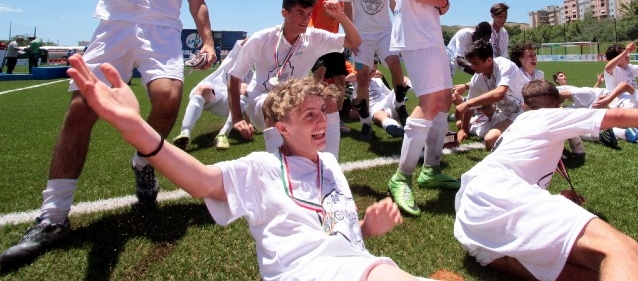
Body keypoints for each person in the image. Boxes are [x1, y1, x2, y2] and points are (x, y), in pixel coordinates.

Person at [0, 0, 217, 267]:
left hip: (160, 32)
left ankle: (143, 162)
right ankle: (54, 215)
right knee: (82, 109)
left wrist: (208, 39)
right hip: (116, 26)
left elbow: (198, 3)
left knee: (168, 100)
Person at [41, 56, 420, 280]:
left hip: (354, 265)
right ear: (282, 129)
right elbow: (203, 182)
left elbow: (338, 233)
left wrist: (367, 228)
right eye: (309, 114)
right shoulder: (263, 168)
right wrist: (137, 129)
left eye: (322, 111)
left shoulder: (332, 165)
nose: (322, 121)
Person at [454, 79, 638, 281]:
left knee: (592, 273)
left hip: (474, 225)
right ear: (556, 106)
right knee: (623, 252)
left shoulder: (520, 128)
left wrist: (554, 200)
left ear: (526, 106)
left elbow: (517, 177)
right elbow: (620, 115)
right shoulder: (547, 117)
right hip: (495, 194)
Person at [228, 0, 361, 160]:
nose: (305, 19)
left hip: (296, 98)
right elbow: (235, 76)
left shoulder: (313, 38)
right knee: (275, 102)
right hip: (261, 101)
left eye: (309, 14)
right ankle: (277, 171)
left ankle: (331, 166)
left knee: (329, 99)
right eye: (299, 13)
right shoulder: (262, 38)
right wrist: (237, 118)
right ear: (284, 13)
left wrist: (341, 16)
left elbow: (354, 41)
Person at [386, 0, 456, 216]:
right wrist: (442, 1)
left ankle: (431, 168)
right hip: (418, 38)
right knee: (429, 102)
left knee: (443, 100)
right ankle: (401, 177)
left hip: (428, 36)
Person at [342, 0, 410, 139]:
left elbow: (392, 2)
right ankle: (366, 125)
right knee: (362, 78)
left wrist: (402, 22)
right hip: (362, 35)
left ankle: (400, 106)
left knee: (396, 67)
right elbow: (346, 6)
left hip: (385, 32)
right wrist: (351, 35)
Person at [174, 38, 253, 151]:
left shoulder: (252, 74)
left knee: (244, 87)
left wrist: (248, 122)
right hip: (214, 97)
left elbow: (249, 100)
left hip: (231, 105)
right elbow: (244, 42)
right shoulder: (232, 59)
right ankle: (185, 133)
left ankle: (223, 134)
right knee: (204, 88)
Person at [452, 40, 527, 151]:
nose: (472, 67)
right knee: (489, 139)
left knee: (490, 140)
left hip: (528, 110)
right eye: (471, 63)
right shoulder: (478, 78)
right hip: (508, 115)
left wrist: (467, 104)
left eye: (475, 63)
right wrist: (464, 128)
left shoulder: (504, 65)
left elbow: (499, 93)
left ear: (489, 60)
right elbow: (471, 104)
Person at [309, 0, 350, 129]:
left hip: (335, 41)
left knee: (340, 80)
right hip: (318, 40)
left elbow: (348, 14)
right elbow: (308, 12)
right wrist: (311, 31)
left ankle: (336, 119)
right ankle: (315, 114)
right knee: (319, 74)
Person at [348, 63, 410, 138]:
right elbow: (355, 103)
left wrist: (395, 96)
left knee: (403, 80)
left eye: (374, 71)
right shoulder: (353, 84)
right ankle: (392, 125)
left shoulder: (377, 80)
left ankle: (403, 100)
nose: (372, 73)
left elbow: (388, 93)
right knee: (380, 115)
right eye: (370, 70)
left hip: (387, 101)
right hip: (373, 107)